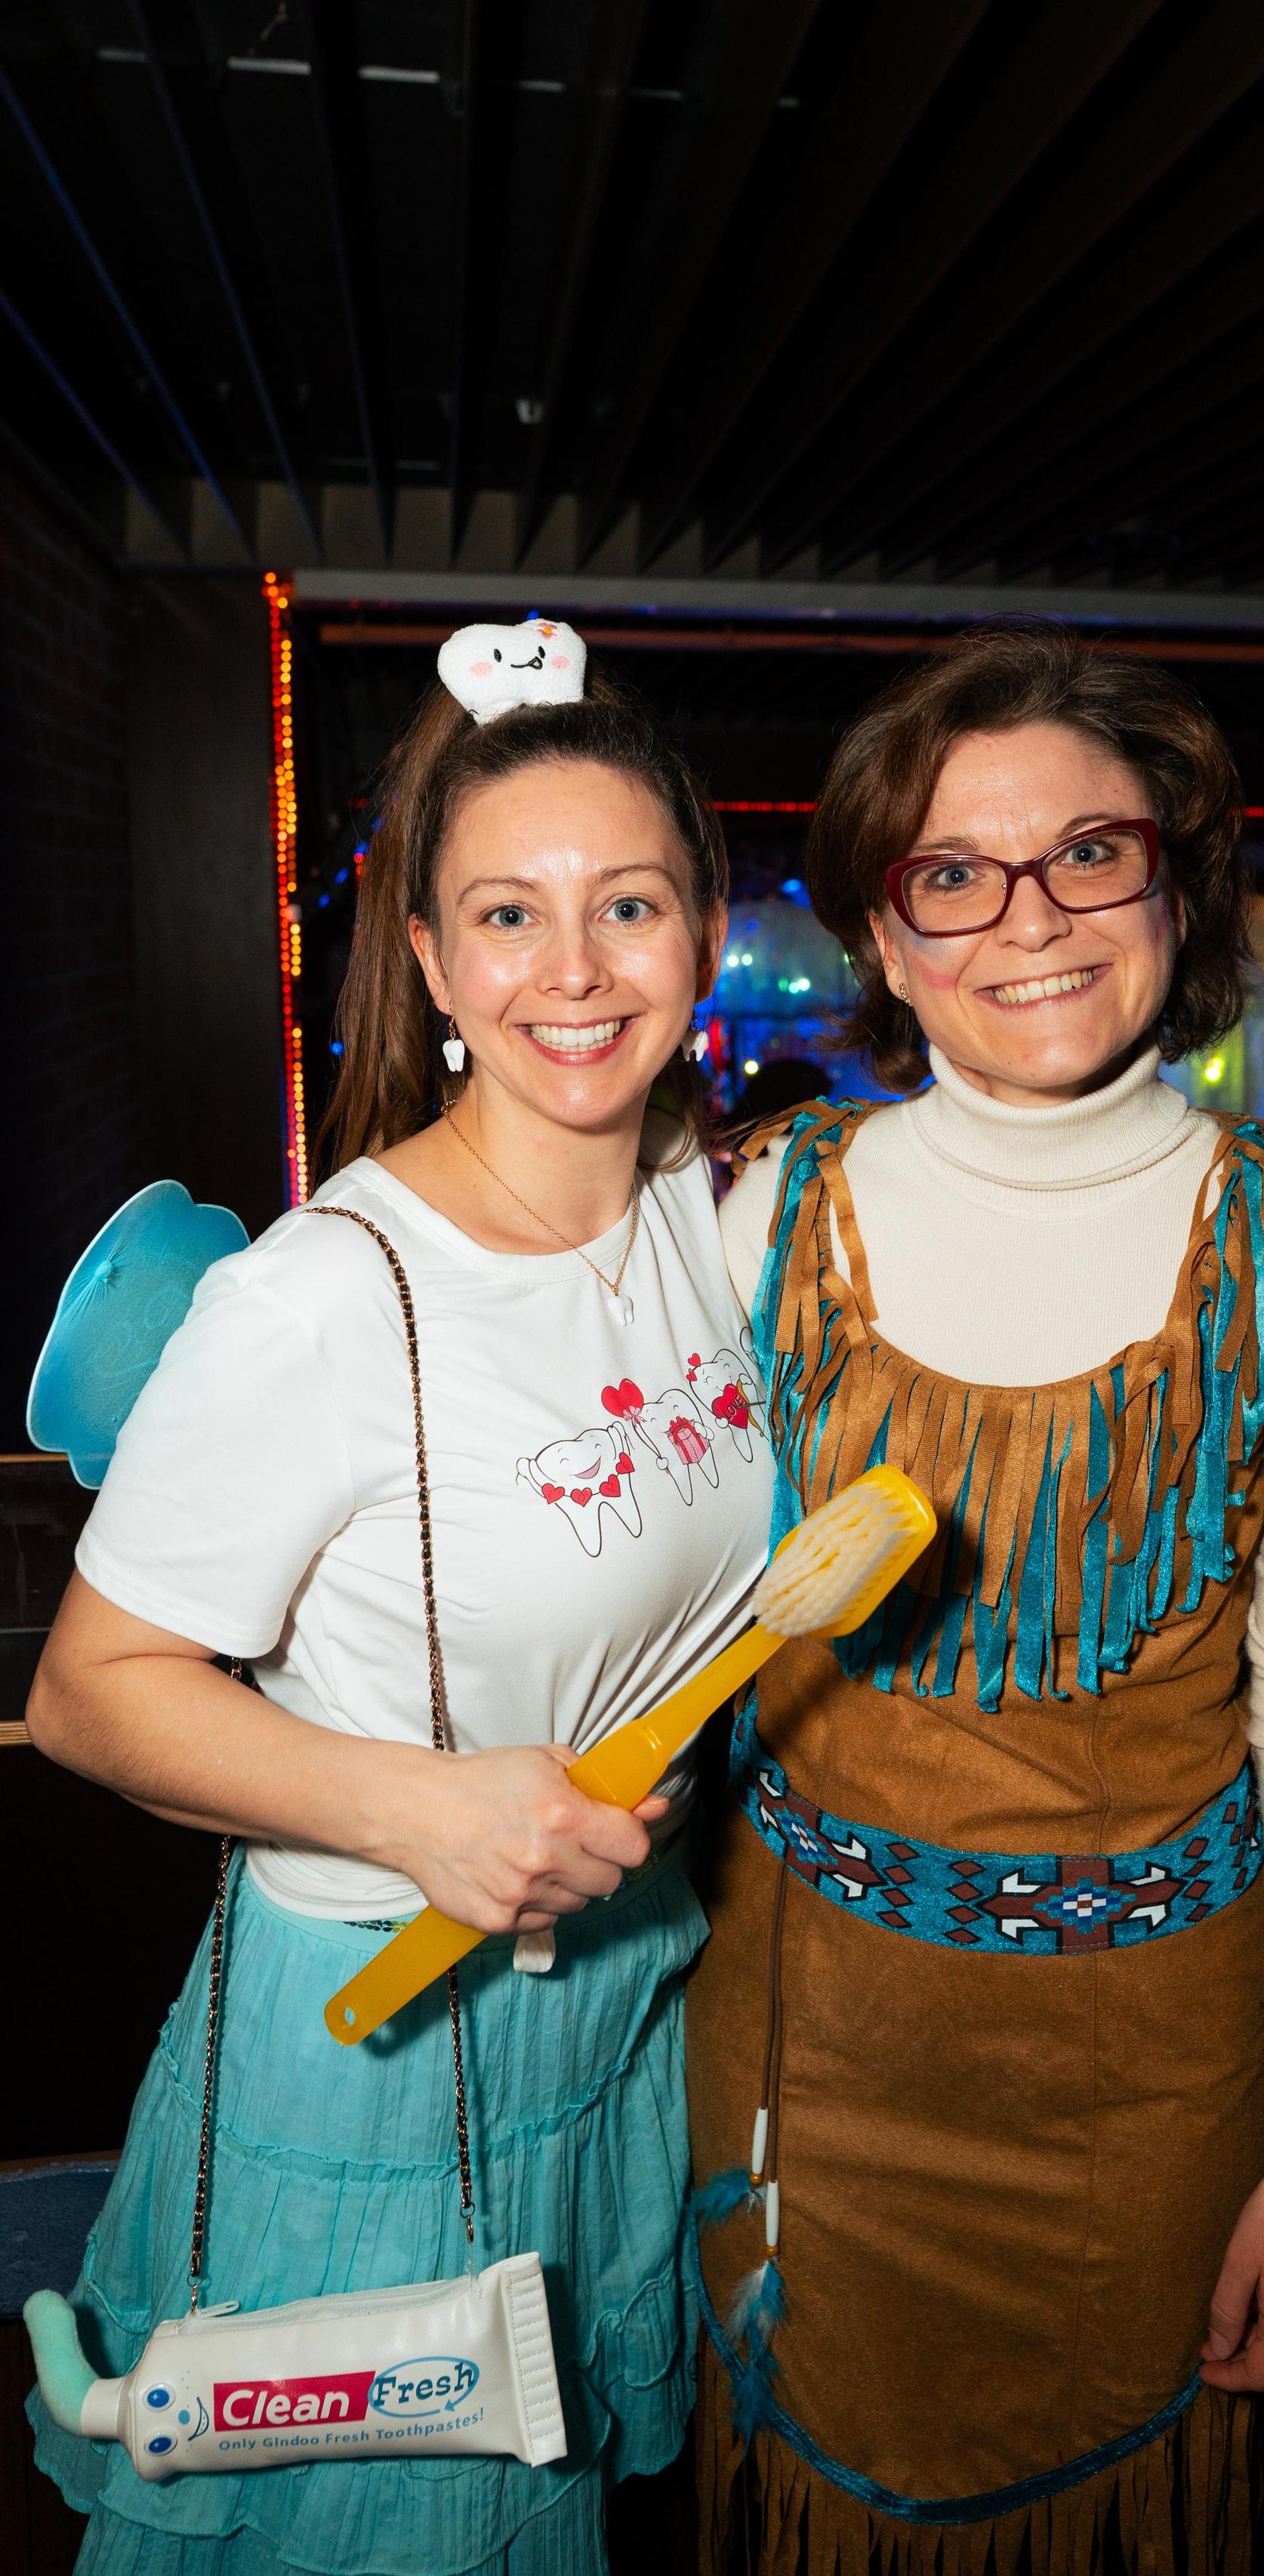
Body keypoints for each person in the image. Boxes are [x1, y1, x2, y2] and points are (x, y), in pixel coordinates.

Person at [26, 632, 775, 2576]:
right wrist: (421, 1804)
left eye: (629, 903)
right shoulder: (330, 1294)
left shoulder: (713, 1220)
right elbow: (96, 1690)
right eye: (507, 915)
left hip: (624, 2002)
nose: (577, 966)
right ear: (432, 964)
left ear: (701, 927)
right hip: (386, 2037)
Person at [689, 625, 1264, 2573]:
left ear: (1173, 880)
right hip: (799, 2058)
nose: (1030, 917)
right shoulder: (763, 1210)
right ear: (885, 926)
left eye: (1091, 852)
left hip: (1156, 2076)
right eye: (953, 871)